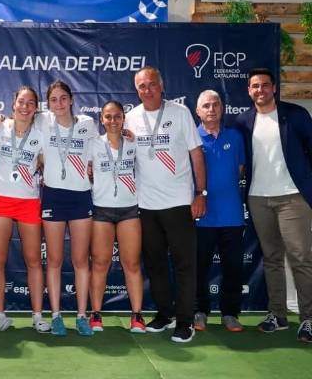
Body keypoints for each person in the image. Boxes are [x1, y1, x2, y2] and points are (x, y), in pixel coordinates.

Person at [125, 66, 206, 343]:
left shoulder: (180, 113)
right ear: (136, 90)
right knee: (155, 264)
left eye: (151, 84)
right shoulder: (130, 118)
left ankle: (185, 321)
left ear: (162, 85)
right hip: (146, 205)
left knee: (184, 265)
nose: (146, 90)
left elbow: (196, 154)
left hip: (179, 203)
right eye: (141, 86)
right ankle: (165, 313)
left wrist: (200, 193)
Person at [234, 68, 312, 343]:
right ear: (249, 90)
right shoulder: (243, 121)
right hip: (258, 198)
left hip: (293, 197)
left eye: (265, 85)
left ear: (274, 88)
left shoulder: (296, 115)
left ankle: (308, 319)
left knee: (301, 258)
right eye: (255, 86)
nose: (260, 90)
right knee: (272, 259)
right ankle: (277, 315)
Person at [0, 85, 50, 333]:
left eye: (30, 103)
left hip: (29, 201)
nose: (25, 107)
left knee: (33, 260)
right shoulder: (0, 126)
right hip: (0, 198)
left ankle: (37, 316)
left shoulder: (41, 133)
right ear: (14, 104)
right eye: (21, 102)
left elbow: (44, 163)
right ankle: (0, 315)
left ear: (36, 107)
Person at [37, 81, 97, 336]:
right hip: (52, 196)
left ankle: (82, 315)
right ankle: (57, 315)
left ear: (71, 100)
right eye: (53, 99)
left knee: (81, 260)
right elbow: (15, 122)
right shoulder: (41, 122)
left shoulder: (87, 124)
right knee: (54, 259)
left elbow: (100, 151)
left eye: (63, 98)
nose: (59, 104)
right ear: (48, 103)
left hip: (81, 197)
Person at [88, 100, 146, 334]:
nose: (113, 121)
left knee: (131, 264)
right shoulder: (92, 144)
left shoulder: (134, 143)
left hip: (129, 209)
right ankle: (96, 313)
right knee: (100, 263)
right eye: (108, 117)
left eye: (117, 117)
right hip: (101, 209)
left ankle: (137, 315)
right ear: (101, 119)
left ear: (124, 119)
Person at [193, 90, 246, 333]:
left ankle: (230, 314)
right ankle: (199, 311)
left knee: (233, 268)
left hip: (232, 215)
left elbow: (240, 171)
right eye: (206, 105)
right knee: (198, 268)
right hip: (201, 216)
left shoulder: (235, 137)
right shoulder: (191, 138)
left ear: (222, 108)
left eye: (215, 104)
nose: (211, 109)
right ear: (198, 111)